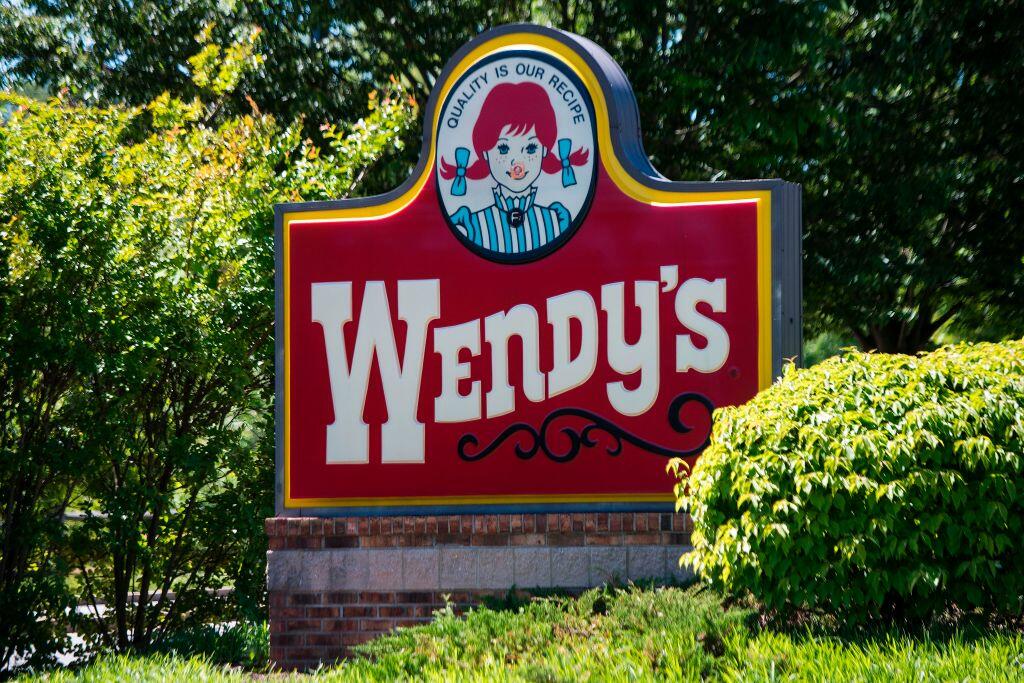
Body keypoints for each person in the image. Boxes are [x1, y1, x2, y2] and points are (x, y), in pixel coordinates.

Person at [439, 81, 590, 255]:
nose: (516, 162)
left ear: (545, 150)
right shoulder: (472, 222)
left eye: (531, 148)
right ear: (485, 153)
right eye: (503, 149)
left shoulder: (556, 219)